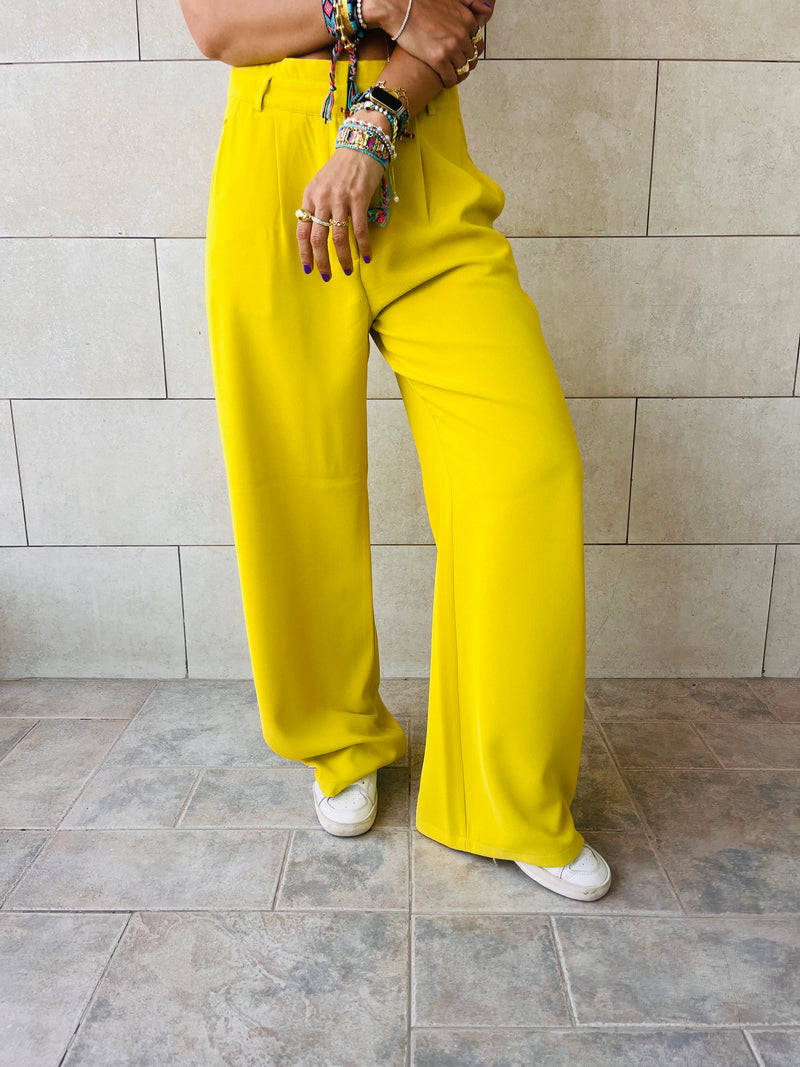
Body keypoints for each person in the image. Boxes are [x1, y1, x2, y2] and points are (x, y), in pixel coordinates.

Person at [179, 0, 612, 901]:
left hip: (416, 146)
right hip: (275, 159)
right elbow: (216, 25)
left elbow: (455, 18)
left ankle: (506, 794)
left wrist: (373, 123)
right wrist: (372, 3)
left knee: (525, 465)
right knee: (293, 470)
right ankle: (339, 738)